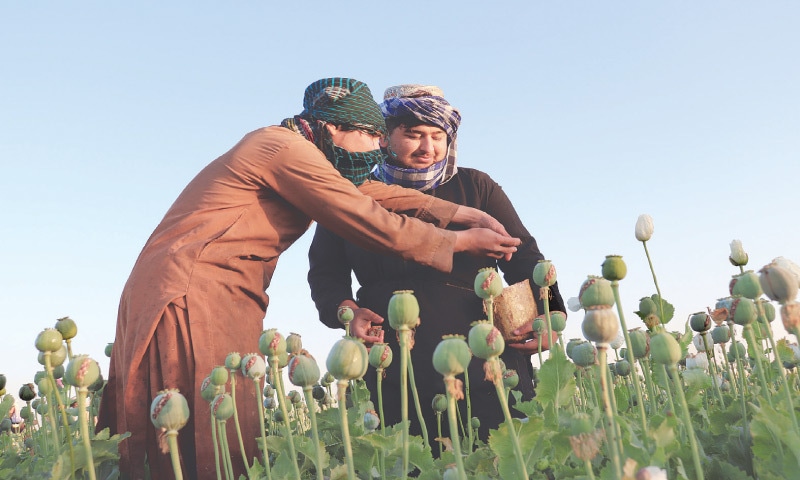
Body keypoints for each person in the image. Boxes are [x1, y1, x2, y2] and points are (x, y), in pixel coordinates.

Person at [96, 77, 520, 480]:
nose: (377, 149)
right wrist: (459, 241)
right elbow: (365, 216)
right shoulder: (280, 147)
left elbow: (367, 193)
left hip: (218, 289)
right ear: (334, 127)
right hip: (193, 287)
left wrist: (458, 212)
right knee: (204, 432)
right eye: (373, 136)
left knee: (226, 424)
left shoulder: (302, 152)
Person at [307, 84, 565, 448]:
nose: (428, 148)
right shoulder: (353, 193)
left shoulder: (476, 186)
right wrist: (343, 309)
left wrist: (551, 311)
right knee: (411, 457)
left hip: (484, 349)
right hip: (393, 355)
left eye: (437, 136)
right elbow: (325, 272)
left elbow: (526, 256)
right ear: (384, 138)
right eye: (413, 135)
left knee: (502, 453)